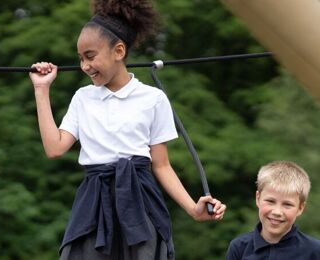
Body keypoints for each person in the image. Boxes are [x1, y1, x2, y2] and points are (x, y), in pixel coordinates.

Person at [29, 0, 226, 259]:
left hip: (140, 198)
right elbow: (55, 148)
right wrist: (41, 90)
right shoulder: (82, 98)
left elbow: (162, 165)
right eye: (80, 58)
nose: (84, 66)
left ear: (119, 51)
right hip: (94, 200)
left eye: (90, 56)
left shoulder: (152, 98)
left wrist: (192, 208)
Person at [226, 161, 320, 260]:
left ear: (300, 208)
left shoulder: (315, 251)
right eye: (270, 201)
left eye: (287, 204)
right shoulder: (239, 247)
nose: (277, 212)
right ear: (258, 199)